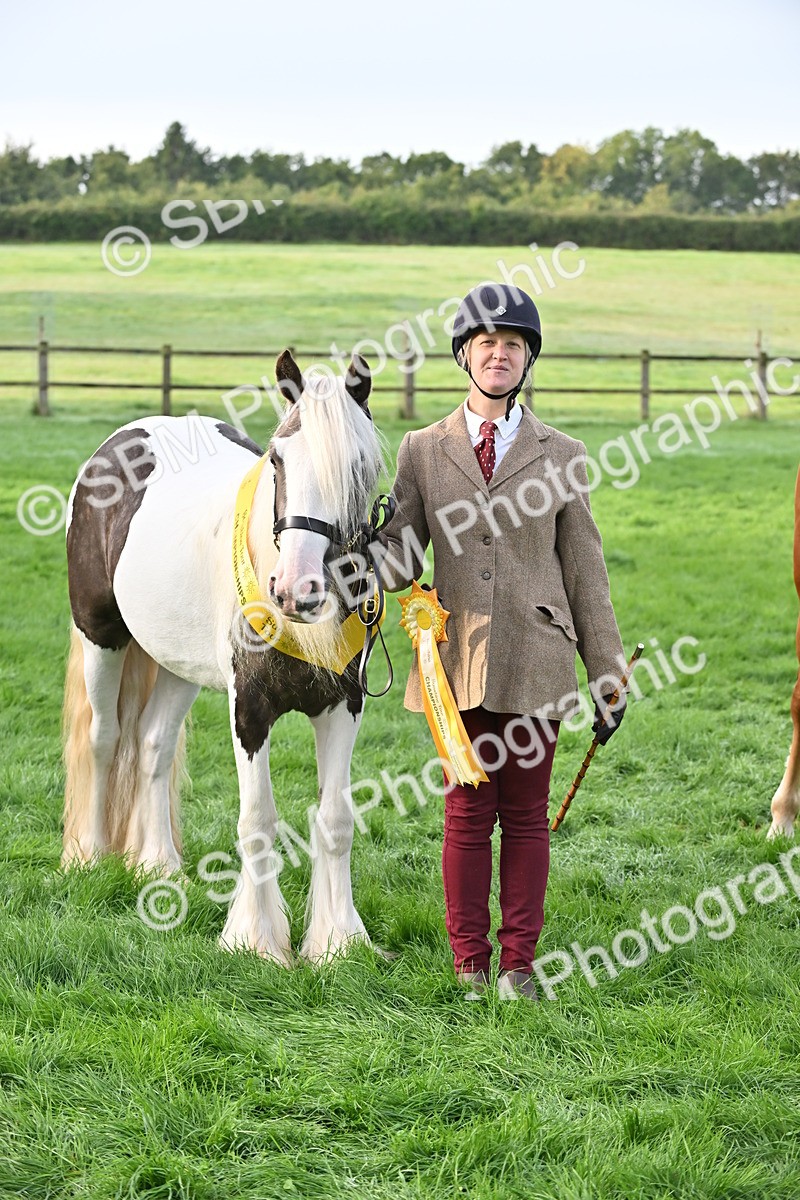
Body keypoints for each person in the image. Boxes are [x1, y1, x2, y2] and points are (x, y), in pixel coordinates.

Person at [374, 282, 626, 1002]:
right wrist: (375, 542)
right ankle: (469, 969)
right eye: (486, 342)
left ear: (527, 360)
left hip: (538, 658)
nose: (498, 353)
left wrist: (608, 673)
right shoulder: (422, 450)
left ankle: (518, 967)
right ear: (463, 354)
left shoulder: (564, 453)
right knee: (465, 814)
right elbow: (401, 563)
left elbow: (587, 574)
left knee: (525, 819)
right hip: (454, 662)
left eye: (512, 344)